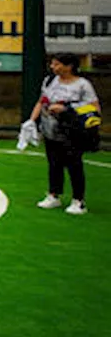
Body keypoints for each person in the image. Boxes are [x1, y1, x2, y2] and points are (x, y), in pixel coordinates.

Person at [30, 52, 101, 215]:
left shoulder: (82, 85)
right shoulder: (50, 80)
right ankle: (54, 194)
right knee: (54, 163)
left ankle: (78, 200)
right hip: (51, 128)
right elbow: (42, 101)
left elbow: (95, 108)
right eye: (52, 64)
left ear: (69, 66)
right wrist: (31, 121)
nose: (53, 67)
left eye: (57, 64)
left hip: (72, 130)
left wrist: (67, 109)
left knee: (74, 164)